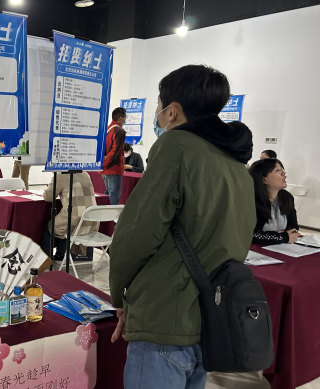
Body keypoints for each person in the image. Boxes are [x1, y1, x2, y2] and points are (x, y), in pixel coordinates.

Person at [109, 65, 255, 388]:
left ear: (172, 111)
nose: (158, 115)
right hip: (209, 320)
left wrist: (118, 295)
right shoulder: (236, 163)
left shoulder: (174, 148)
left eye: (159, 107)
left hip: (164, 319)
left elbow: (134, 236)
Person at [41, 172, 98, 261]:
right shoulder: (85, 174)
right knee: (63, 222)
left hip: (73, 221)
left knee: (50, 227)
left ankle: (45, 260)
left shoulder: (60, 176)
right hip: (91, 222)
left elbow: (48, 197)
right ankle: (60, 256)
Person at [249, 158, 299, 245]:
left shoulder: (287, 197)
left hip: (280, 248)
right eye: (277, 170)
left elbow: (293, 227)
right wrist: (280, 237)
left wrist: (285, 235)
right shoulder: (252, 201)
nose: (284, 174)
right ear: (264, 179)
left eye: (282, 169)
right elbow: (251, 235)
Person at [102, 107, 127, 205]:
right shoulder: (119, 131)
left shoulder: (107, 129)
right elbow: (115, 151)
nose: (125, 120)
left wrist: (103, 164)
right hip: (114, 168)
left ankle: (105, 218)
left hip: (105, 169)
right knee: (114, 195)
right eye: (125, 117)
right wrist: (106, 162)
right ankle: (111, 219)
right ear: (120, 118)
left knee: (107, 193)